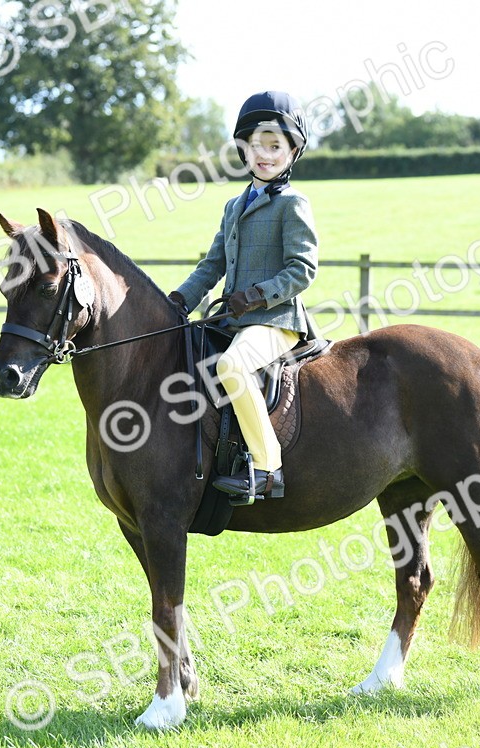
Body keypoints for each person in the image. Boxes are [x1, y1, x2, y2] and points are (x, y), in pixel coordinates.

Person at [168, 90, 318, 502]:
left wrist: (255, 296)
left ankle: (269, 469)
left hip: (276, 321)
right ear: (244, 150)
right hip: (233, 320)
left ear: (292, 152)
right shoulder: (234, 206)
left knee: (232, 365)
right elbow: (212, 264)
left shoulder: (293, 204)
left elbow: (303, 270)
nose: (265, 155)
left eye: (275, 147)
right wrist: (180, 298)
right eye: (257, 146)